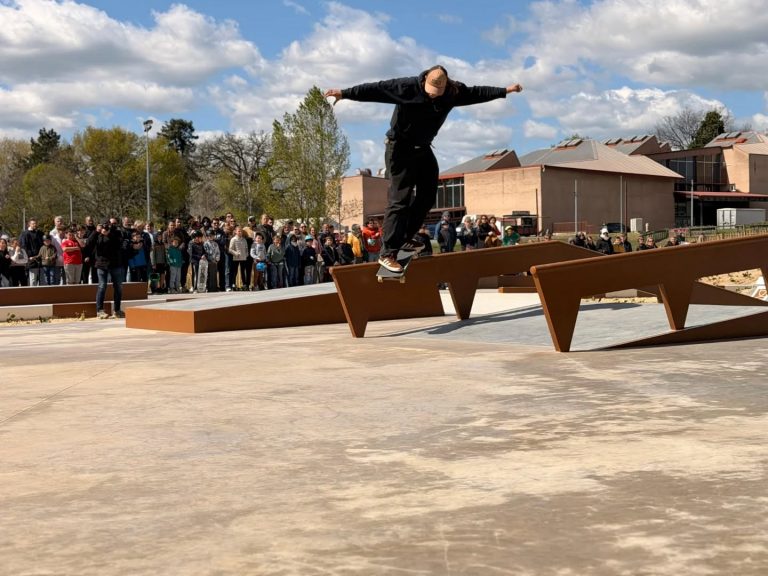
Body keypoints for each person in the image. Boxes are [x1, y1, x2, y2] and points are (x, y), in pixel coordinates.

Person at [325, 65, 522, 272]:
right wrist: (344, 93)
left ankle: (404, 240)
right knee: (400, 199)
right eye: (429, 92)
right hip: (399, 148)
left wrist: (504, 91)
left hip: (423, 150)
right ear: (424, 80)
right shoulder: (406, 87)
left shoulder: (453, 91)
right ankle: (387, 253)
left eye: (437, 94)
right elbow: (376, 89)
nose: (433, 97)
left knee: (428, 197)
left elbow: (476, 93)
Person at [87, 221, 125, 319]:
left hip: (115, 264)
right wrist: (96, 232)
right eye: (104, 227)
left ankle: (117, 310)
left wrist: (109, 234)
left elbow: (119, 243)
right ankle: (99, 310)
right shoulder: (97, 235)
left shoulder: (115, 233)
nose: (106, 229)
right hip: (102, 264)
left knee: (118, 287)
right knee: (102, 286)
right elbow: (89, 243)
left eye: (108, 226)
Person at [19, 219, 44, 286]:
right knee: (33, 279)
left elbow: (43, 245)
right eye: (33, 223)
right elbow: (23, 246)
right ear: (29, 224)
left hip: (40, 259)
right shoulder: (25, 234)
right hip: (31, 259)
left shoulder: (40, 233)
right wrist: (28, 256)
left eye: (35, 223)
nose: (35, 225)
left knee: (42, 279)